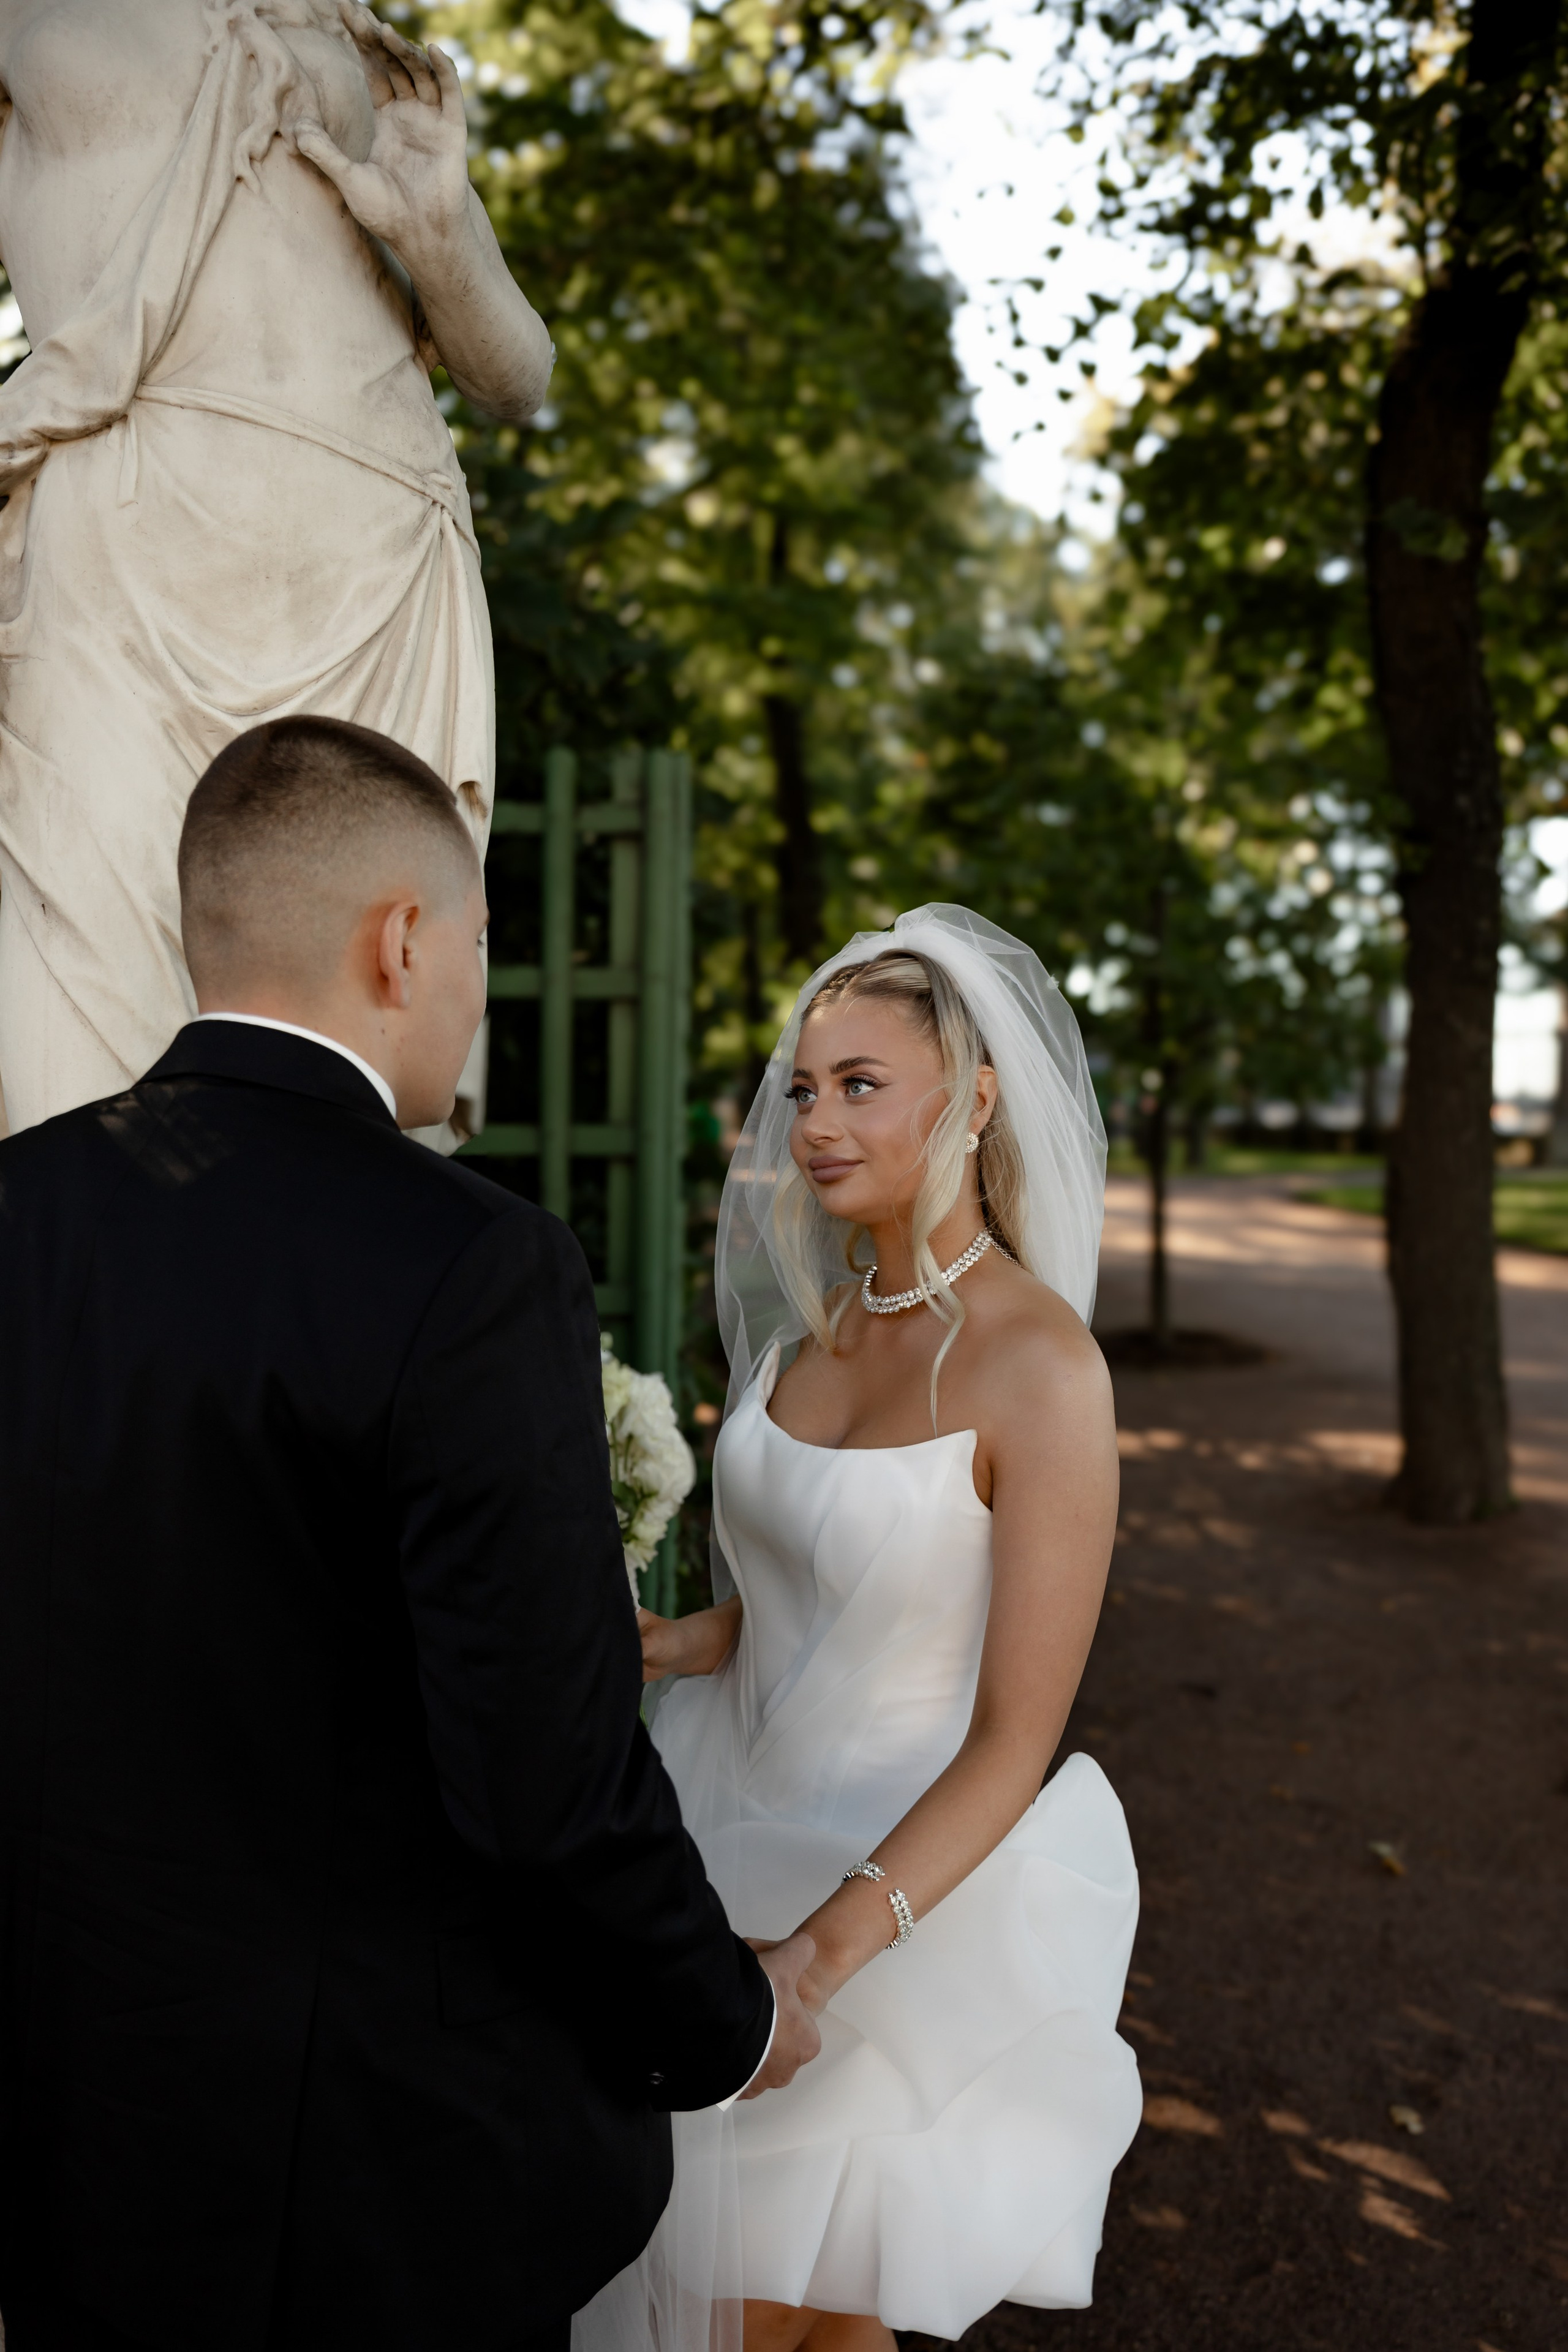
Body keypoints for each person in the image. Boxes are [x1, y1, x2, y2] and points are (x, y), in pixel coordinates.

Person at [0, 715, 820, 2352]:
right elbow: (543, 1784)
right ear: (401, 939)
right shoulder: (468, 1262)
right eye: (482, 948)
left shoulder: (18, 1208)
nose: (477, 995)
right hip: (356, 2182)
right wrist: (728, 2024)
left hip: (53, 2125)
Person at [628, 907, 1142, 2352]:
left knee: (760, 2310)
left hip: (885, 1900)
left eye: (860, 1084)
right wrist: (665, 1645)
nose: (814, 1122)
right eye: (803, 1088)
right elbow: (813, 1593)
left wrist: (815, 1958)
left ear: (973, 1098)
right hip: (703, 1827)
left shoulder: (1042, 1370)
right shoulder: (811, 1328)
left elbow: (1012, 1740)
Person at [0, 0, 548, 1136]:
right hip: (127, 538)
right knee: (76, 1051)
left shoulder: (341, 28)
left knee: (367, 1046)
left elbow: (516, 373)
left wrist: (440, 236)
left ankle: (338, 1312)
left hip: (372, 545)